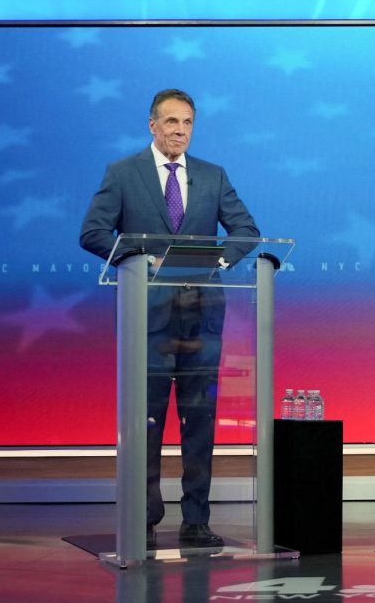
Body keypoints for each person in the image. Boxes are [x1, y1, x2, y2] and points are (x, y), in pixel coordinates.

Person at [81, 89, 260, 549]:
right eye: (172, 122)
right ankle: (144, 517)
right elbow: (94, 232)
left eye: (188, 124)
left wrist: (217, 263)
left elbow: (247, 230)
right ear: (152, 125)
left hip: (202, 318)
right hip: (150, 318)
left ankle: (196, 519)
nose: (180, 131)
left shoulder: (212, 176)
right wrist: (143, 260)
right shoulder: (123, 174)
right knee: (148, 422)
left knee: (199, 422)